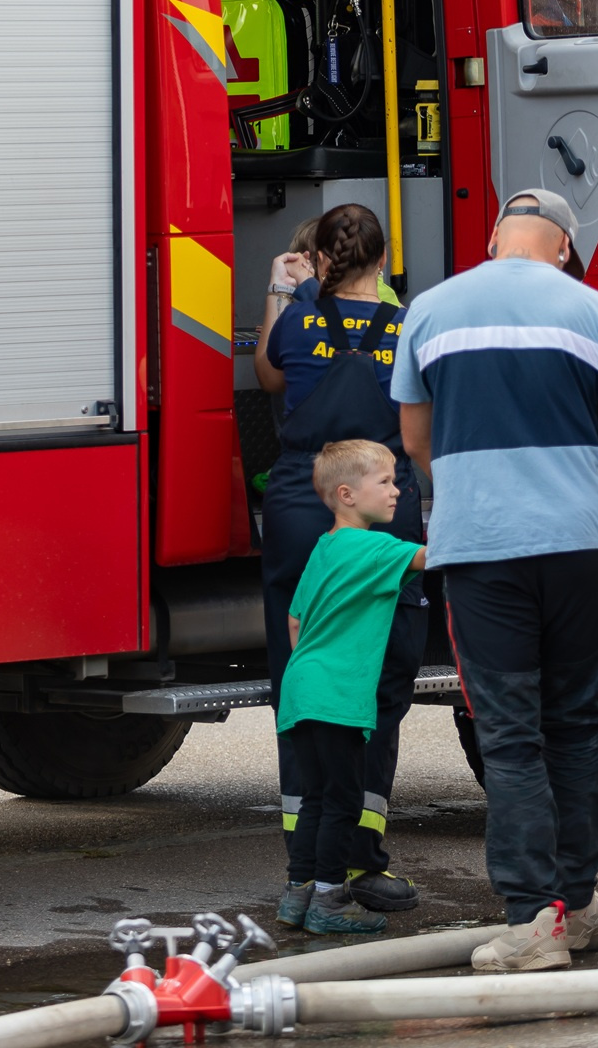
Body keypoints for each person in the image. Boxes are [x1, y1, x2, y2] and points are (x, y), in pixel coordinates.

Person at [394, 188, 598, 972]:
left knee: (510, 737)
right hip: (576, 552)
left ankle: (534, 922)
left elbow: (416, 440)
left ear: (496, 237)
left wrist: (476, 493)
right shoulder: (594, 313)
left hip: (481, 555)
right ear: (565, 247)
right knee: (571, 727)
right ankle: (578, 902)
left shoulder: (430, 311)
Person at [255, 204, 426, 915]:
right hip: (382, 505)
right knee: (379, 680)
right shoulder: (407, 326)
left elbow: (269, 378)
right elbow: (419, 425)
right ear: (383, 262)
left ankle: (305, 865)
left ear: (321, 259)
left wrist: (281, 289)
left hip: (301, 505)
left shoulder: (296, 321)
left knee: (303, 678)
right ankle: (360, 857)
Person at [274, 440, 427, 936]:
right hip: (339, 698)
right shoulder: (374, 549)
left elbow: (294, 621)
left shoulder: (324, 548)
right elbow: (438, 557)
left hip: (302, 690)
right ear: (347, 494)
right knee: (343, 803)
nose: (397, 491)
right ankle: (329, 903)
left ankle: (296, 896)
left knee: (316, 799)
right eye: (384, 482)